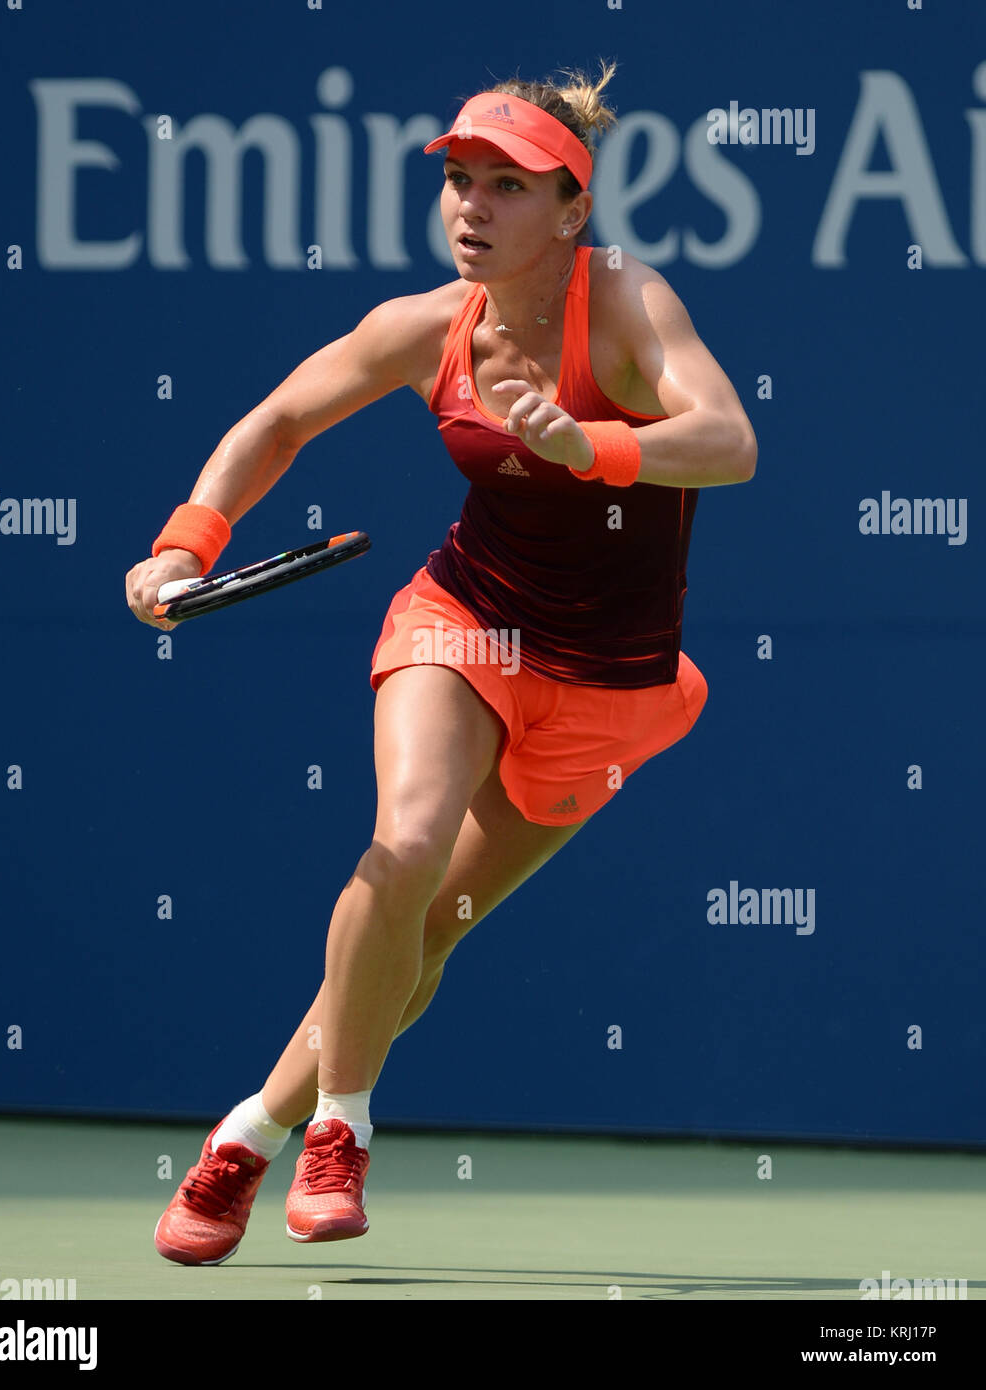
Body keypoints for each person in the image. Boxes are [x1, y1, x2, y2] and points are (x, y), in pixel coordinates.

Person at [125, 60, 757, 1265]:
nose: (470, 207)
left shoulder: (626, 300)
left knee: (423, 939)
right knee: (404, 845)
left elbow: (727, 440)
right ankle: (345, 1130)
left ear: (572, 210)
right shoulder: (429, 327)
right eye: (458, 183)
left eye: (505, 187)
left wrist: (592, 445)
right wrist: (181, 545)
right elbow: (278, 422)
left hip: (608, 687)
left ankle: (249, 1133)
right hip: (462, 622)